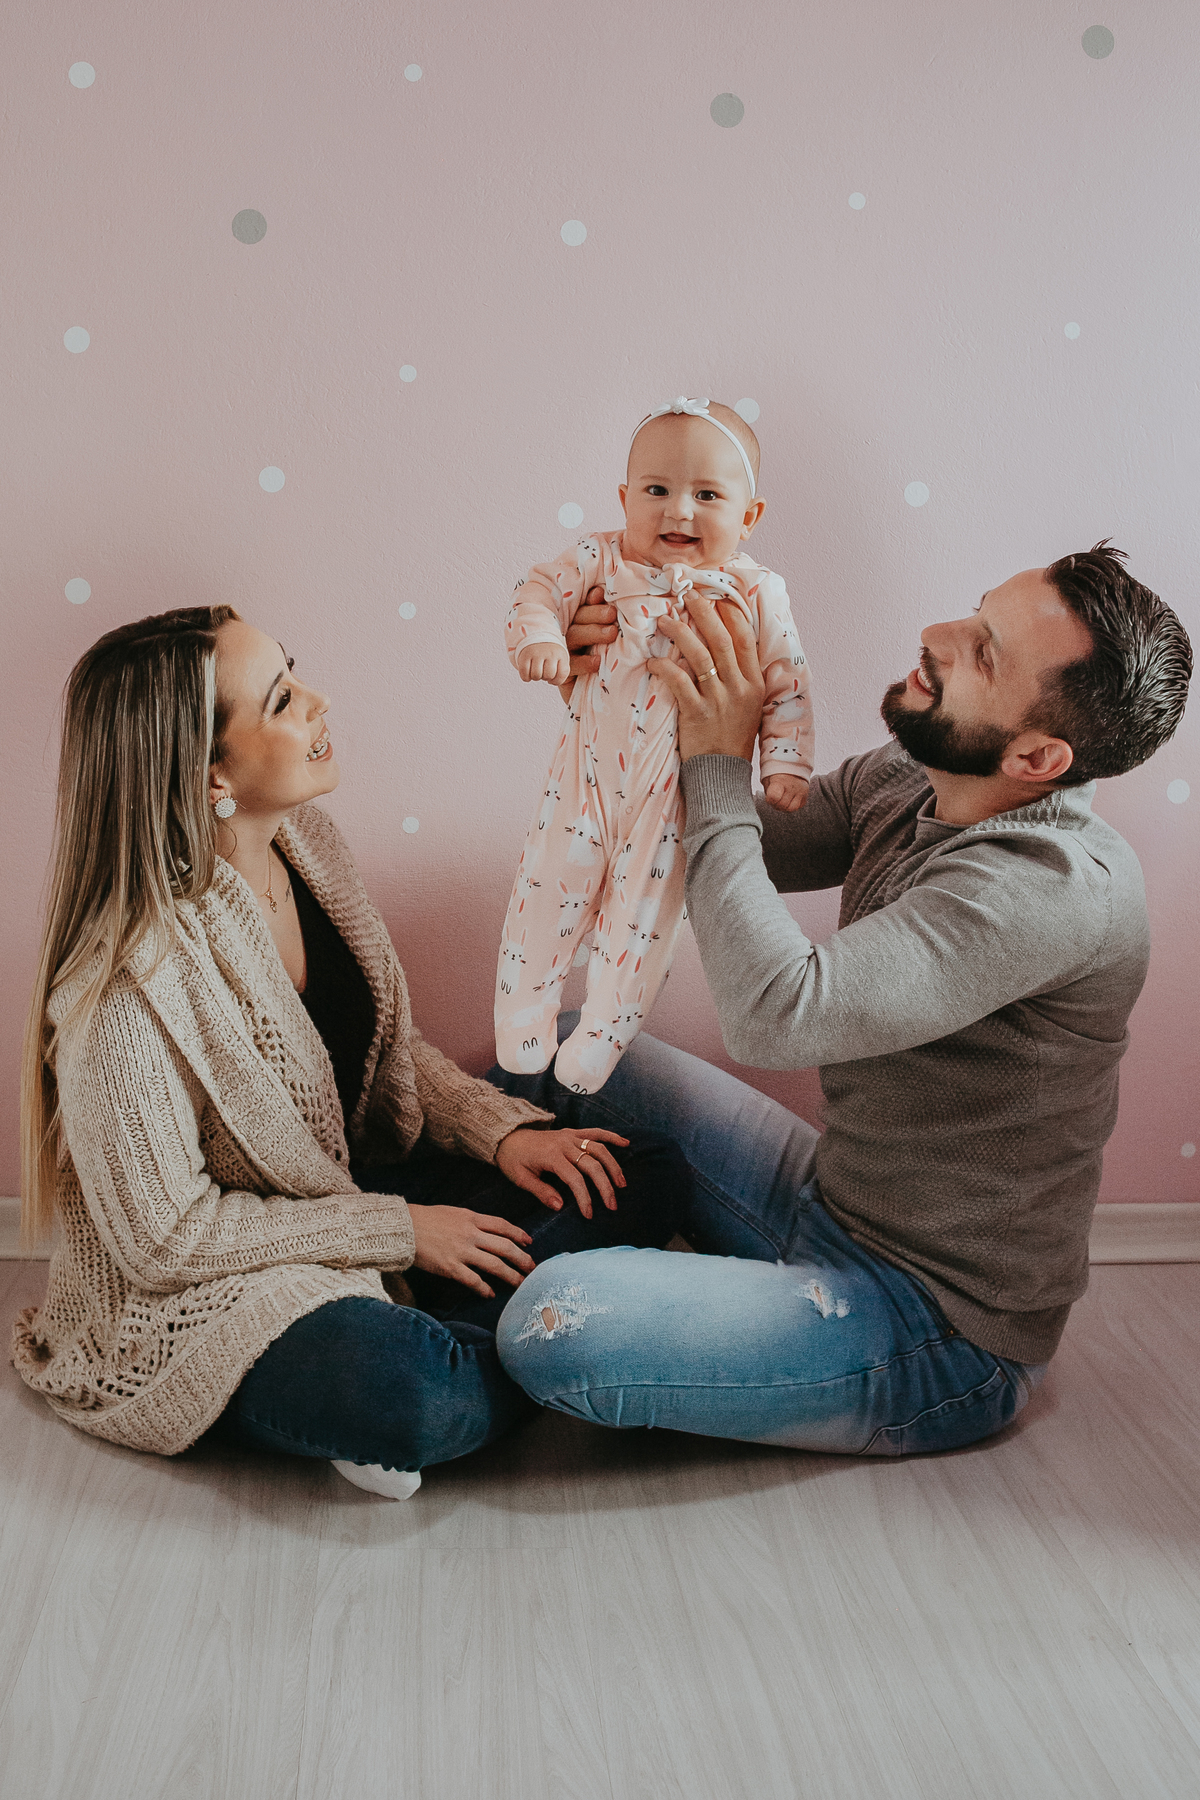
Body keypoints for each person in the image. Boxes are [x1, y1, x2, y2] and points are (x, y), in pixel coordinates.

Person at [494, 545, 1192, 1456]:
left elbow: (773, 1013)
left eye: (982, 652)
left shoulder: (1051, 890)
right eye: (975, 612)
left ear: (1038, 755)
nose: (937, 636)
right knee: (564, 1050)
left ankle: (581, 1296)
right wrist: (624, 681)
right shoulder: (919, 777)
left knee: (553, 1325)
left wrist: (715, 755)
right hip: (830, 1196)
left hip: (933, 1325)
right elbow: (715, 840)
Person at [13, 608, 691, 1500]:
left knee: (633, 1165)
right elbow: (168, 1241)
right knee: (413, 1394)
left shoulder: (305, 849)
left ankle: (486, 1333)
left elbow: (383, 1049)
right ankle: (495, 1346)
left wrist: (498, 1136)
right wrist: (402, 1233)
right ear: (211, 769)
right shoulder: (123, 990)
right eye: (285, 699)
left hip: (343, 1197)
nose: (322, 702)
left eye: (295, 674)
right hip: (213, 1290)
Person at [495, 397, 813, 1093]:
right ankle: (523, 1018)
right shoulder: (601, 559)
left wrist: (784, 759)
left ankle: (601, 1035)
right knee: (547, 888)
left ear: (749, 518)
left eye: (707, 495)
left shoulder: (758, 592)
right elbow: (537, 591)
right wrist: (543, 640)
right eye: (657, 491)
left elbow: (785, 678)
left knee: (642, 922)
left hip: (673, 798)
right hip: (582, 778)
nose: (679, 512)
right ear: (624, 498)